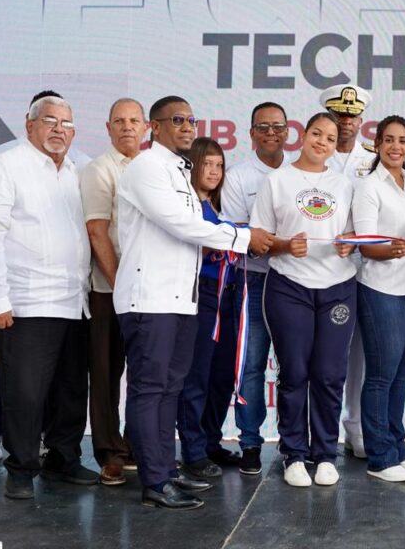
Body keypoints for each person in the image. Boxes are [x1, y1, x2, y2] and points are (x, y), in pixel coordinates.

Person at [115, 95, 272, 510]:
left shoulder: (180, 171)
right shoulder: (146, 167)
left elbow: (193, 227)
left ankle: (166, 472)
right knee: (150, 389)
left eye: (191, 120)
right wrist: (243, 238)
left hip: (181, 299)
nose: (187, 127)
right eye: (177, 120)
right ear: (155, 126)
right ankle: (153, 480)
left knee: (170, 389)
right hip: (149, 298)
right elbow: (183, 224)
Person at [0, 95, 96, 500]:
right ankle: (22, 470)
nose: (59, 129)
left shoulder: (75, 172)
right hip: (25, 302)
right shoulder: (3, 168)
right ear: (29, 126)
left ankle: (63, 459)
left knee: (71, 389)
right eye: (50, 120)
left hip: (74, 300)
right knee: (25, 394)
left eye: (67, 122)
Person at [250, 112, 358, 488]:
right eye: (317, 133)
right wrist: (283, 245)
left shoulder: (344, 184)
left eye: (330, 138)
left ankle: (325, 454)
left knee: (329, 375)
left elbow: (349, 232)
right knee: (294, 373)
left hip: (338, 288)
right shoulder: (277, 181)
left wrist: (348, 244)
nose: (322, 142)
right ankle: (294, 454)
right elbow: (258, 236)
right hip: (289, 286)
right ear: (304, 134)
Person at [353, 115, 405, 482]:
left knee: (402, 376)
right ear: (378, 145)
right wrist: (389, 250)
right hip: (380, 288)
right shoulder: (369, 186)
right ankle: (379, 457)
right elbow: (366, 244)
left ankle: (398, 448)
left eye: (402, 140)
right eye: (388, 140)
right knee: (381, 377)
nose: (396, 146)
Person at [220, 101, 293, 475]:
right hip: (252, 280)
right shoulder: (238, 176)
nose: (270, 133)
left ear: (287, 132)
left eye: (277, 127)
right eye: (262, 127)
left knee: (292, 365)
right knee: (250, 364)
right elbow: (238, 235)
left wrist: (272, 240)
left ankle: (292, 441)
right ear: (250, 134)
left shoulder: (300, 174)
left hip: (293, 278)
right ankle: (250, 442)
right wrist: (268, 240)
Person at [79, 98, 146, 486]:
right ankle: (109, 452)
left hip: (149, 291)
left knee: (146, 374)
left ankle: (139, 445)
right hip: (110, 288)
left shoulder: (157, 168)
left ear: (146, 128)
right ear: (107, 128)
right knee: (105, 374)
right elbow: (97, 231)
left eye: (134, 121)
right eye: (119, 121)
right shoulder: (99, 170)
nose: (127, 127)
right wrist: (122, 286)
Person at [175, 138, 238, 483]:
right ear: (192, 167)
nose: (214, 172)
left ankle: (211, 441)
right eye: (207, 165)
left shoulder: (213, 206)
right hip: (201, 296)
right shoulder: (188, 208)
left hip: (227, 296)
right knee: (196, 376)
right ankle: (194, 451)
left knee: (221, 376)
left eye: (219, 166)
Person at [321, 84, 375, 460]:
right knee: (320, 356)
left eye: (352, 116)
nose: (346, 122)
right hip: (319, 269)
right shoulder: (314, 154)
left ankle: (355, 427)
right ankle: (315, 430)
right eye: (339, 115)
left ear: (361, 120)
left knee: (359, 355)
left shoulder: (372, 160)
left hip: (365, 268)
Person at [0, 90, 92, 168]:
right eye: (50, 121)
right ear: (29, 123)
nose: (58, 129)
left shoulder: (82, 164)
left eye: (64, 123)